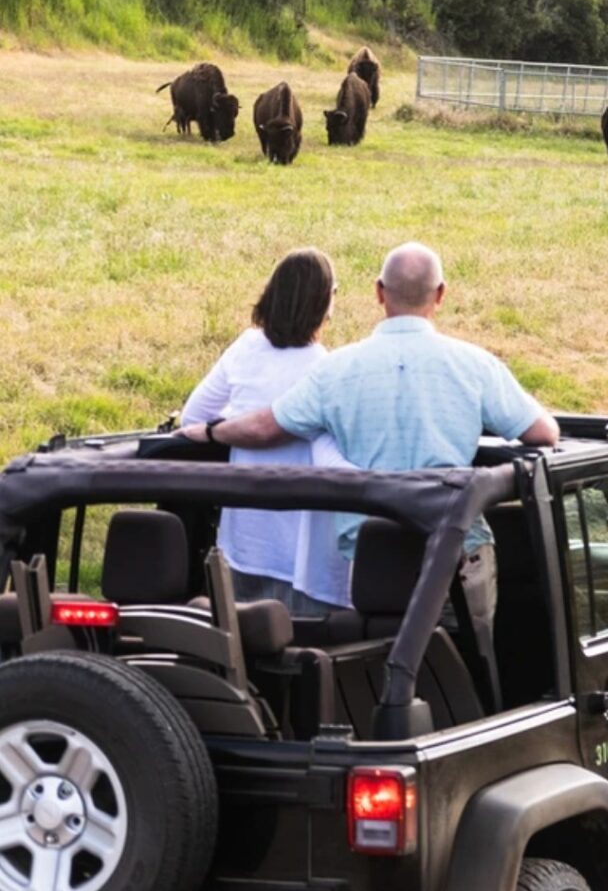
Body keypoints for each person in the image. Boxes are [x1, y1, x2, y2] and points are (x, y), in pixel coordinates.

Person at [179, 242, 559, 703]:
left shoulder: (335, 370)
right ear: (440, 295)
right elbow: (543, 432)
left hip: (370, 556)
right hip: (457, 548)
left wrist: (211, 432)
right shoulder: (476, 365)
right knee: (469, 663)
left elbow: (264, 425)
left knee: (368, 664)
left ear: (379, 293)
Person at [180, 247, 354, 614]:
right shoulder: (326, 370)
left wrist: (230, 418)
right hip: (300, 554)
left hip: (242, 539)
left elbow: (193, 416)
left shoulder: (245, 348)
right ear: (326, 302)